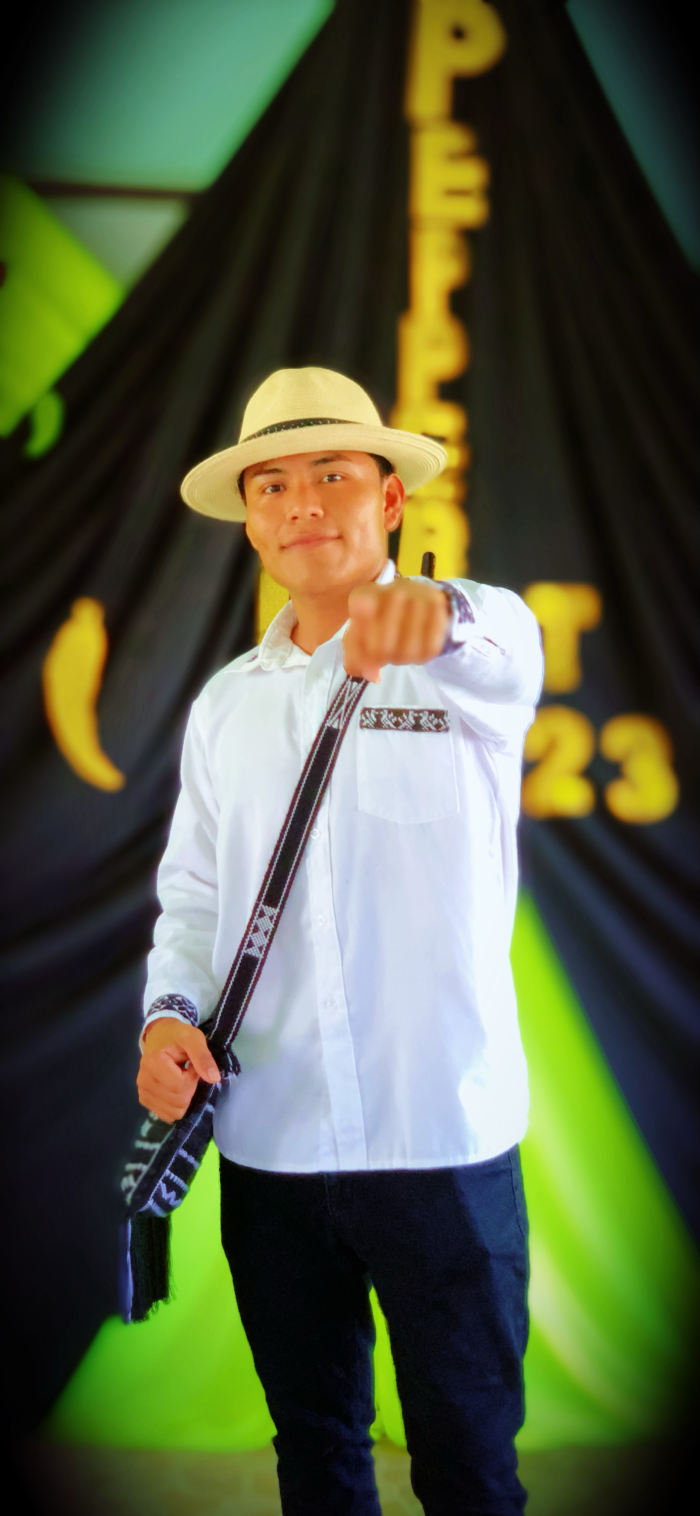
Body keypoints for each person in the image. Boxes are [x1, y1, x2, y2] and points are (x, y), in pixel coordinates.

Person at [136, 367, 543, 1516]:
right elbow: (193, 898)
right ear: (250, 520)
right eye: (271, 484)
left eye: (332, 474)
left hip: (443, 1138)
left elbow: (504, 642)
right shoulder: (225, 706)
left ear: (391, 499)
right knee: (316, 1462)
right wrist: (166, 1019)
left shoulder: (468, 659)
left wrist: (440, 617)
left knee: (471, 1470)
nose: (302, 502)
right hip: (271, 1145)